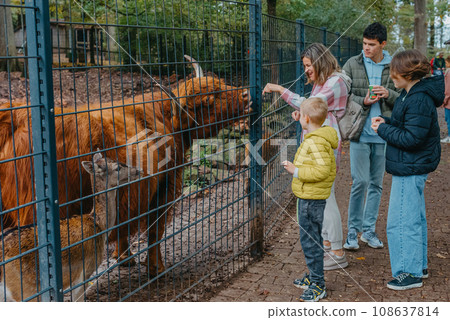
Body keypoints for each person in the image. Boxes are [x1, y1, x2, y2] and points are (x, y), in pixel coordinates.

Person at [263, 43, 349, 271]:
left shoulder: (336, 81)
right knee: (322, 195)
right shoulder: (323, 81)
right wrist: (302, 116)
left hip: (324, 144)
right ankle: (329, 246)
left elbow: (313, 105)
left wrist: (280, 90)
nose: (306, 71)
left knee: (326, 196)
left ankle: (338, 252)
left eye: (309, 65)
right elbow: (313, 111)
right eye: (305, 66)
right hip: (315, 140)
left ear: (320, 61)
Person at [372, 49, 444, 290]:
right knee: (414, 218)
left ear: (408, 73)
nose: (391, 77)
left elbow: (412, 138)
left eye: (394, 73)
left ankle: (409, 272)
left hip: (410, 166)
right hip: (409, 164)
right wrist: (387, 122)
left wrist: (381, 130)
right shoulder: (409, 94)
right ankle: (418, 265)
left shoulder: (418, 98)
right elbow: (407, 125)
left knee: (401, 221)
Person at [342, 22, 399, 251]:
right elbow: (342, 95)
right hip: (359, 133)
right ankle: (352, 233)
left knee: (376, 184)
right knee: (360, 182)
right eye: (364, 44)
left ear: (383, 44)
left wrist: (389, 93)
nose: (366, 48)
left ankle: (369, 231)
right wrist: (363, 101)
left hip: (384, 134)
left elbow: (405, 95)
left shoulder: (394, 64)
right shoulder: (352, 63)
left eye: (371, 45)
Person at [282, 97, 338, 302]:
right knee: (309, 238)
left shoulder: (317, 142)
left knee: (311, 240)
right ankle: (314, 277)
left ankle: (318, 284)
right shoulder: (317, 135)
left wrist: (296, 171)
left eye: (301, 116)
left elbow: (321, 171)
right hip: (308, 196)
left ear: (305, 118)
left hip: (311, 199)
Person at [440, 56, 450, 143]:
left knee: (449, 119)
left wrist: (444, 100)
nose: (446, 65)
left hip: (449, 103)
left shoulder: (449, 73)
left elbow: (448, 90)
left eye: (447, 63)